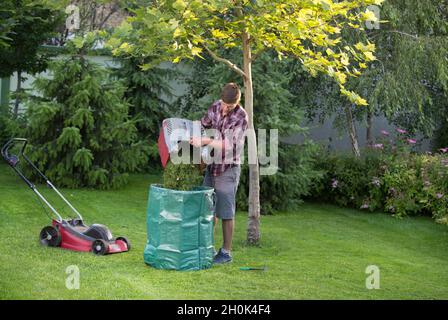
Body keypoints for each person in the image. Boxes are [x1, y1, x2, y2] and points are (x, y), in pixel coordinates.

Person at [189, 83, 248, 264]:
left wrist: (206, 140)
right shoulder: (216, 106)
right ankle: (208, 247)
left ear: (236, 103)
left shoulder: (241, 117)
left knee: (226, 211)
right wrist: (194, 135)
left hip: (228, 168)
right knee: (208, 208)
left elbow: (229, 144)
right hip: (212, 165)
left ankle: (225, 253)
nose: (224, 108)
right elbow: (203, 123)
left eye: (229, 106)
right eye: (223, 104)